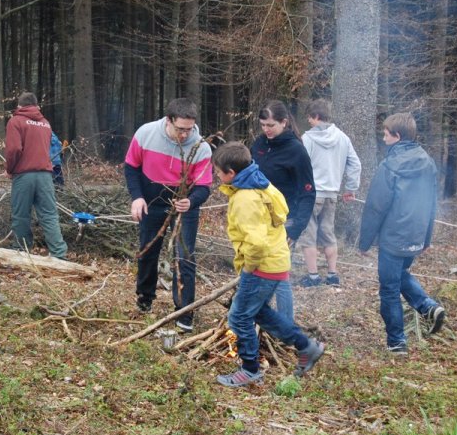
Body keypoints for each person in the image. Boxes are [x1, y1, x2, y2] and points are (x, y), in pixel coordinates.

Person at [212, 142, 325, 387]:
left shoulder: (244, 198)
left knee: (239, 316)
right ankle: (307, 347)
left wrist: (249, 267)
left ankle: (250, 369)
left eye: (219, 172)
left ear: (231, 173)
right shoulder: (261, 183)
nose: (217, 176)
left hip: (261, 266)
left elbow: (256, 242)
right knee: (260, 311)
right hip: (276, 262)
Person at [359, 112, 446, 355]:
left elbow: (376, 206)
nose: (383, 137)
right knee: (399, 275)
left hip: (393, 237)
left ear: (397, 136)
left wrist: (364, 242)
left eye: (386, 134)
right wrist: (426, 237)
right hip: (415, 235)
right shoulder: (428, 162)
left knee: (389, 288)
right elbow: (431, 205)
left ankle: (396, 342)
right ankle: (427, 307)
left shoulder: (389, 165)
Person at [125, 98, 212, 333]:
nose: (185, 134)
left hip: (184, 204)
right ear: (169, 120)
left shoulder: (201, 147)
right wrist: (137, 197)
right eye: (180, 129)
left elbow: (204, 186)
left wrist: (191, 201)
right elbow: (131, 166)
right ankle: (145, 298)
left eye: (189, 129)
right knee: (147, 250)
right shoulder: (146, 133)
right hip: (151, 200)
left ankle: (184, 312)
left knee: (184, 257)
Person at [250, 99, 316, 323]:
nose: (267, 130)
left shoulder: (296, 150)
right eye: (263, 125)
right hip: (256, 218)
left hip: (284, 221)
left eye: (271, 125)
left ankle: (285, 325)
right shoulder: (259, 144)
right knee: (257, 270)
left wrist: (295, 229)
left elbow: (308, 192)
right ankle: (261, 318)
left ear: (284, 123)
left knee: (279, 276)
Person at [297, 99, 362, 287]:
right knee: (328, 234)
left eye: (310, 117)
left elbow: (299, 166)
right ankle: (333, 275)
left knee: (308, 236)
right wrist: (350, 188)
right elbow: (355, 164)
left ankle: (313, 276)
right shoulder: (343, 138)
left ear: (317, 116)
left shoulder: (307, 139)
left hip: (311, 194)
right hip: (332, 194)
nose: (309, 121)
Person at [5, 91, 68, 259]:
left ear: (19, 106)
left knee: (21, 215)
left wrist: (10, 169)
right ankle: (59, 253)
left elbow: (14, 149)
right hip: (46, 176)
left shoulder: (15, 121)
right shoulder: (46, 123)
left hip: (24, 175)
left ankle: (21, 250)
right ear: (35, 106)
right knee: (49, 215)